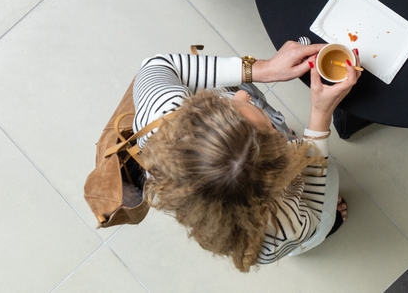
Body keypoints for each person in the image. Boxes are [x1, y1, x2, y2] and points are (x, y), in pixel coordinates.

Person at [134, 39, 360, 271]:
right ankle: (327, 227)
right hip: (302, 216)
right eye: (269, 126)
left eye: (223, 104)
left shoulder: (160, 117)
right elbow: (312, 211)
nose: (243, 95)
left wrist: (264, 69)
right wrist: (321, 115)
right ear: (278, 168)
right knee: (319, 219)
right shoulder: (278, 228)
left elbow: (157, 65)